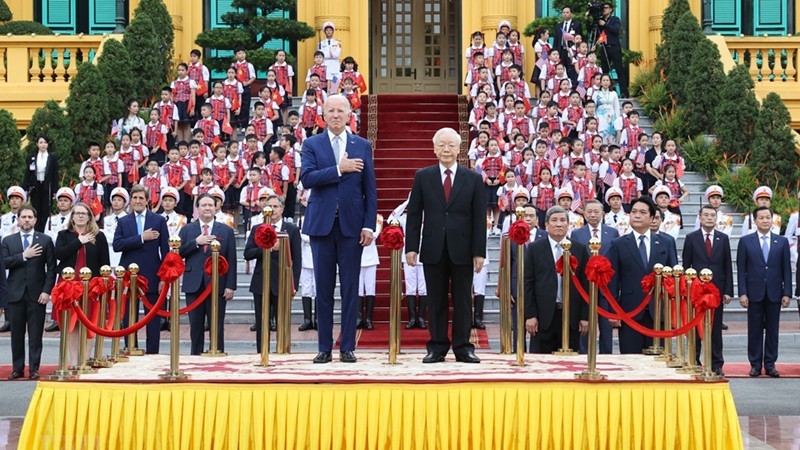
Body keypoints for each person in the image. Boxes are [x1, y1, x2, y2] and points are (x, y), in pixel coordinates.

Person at [299, 94, 377, 364]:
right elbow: (307, 178)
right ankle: (323, 347)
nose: (335, 115)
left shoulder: (362, 145)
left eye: (340, 110)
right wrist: (339, 169)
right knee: (323, 290)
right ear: (323, 114)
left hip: (352, 228)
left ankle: (346, 346)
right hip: (321, 226)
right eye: (330, 110)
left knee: (350, 289)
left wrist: (369, 225)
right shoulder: (312, 144)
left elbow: (370, 189)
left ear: (349, 114)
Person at [405, 127, 487, 364]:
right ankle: (437, 346)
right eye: (442, 145)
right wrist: (412, 246)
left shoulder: (472, 178)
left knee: (462, 300)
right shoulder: (423, 176)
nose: (446, 149)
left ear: (459, 149)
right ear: (434, 148)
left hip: (463, 249)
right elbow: (414, 214)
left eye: (451, 145)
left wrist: (478, 252)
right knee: (436, 300)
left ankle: (463, 347)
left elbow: (479, 217)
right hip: (433, 247)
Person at [606, 196, 677, 354]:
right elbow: (613, 281)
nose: (637, 215)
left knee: (659, 362)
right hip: (629, 312)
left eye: (643, 212)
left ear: (652, 218)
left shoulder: (666, 242)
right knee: (631, 360)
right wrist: (613, 311)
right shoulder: (618, 244)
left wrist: (673, 311)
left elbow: (673, 280)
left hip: (659, 311)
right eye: (634, 212)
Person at [113, 185, 170, 354]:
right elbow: (117, 245)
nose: (137, 201)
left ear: (147, 201)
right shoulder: (123, 221)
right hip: (128, 276)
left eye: (141, 198)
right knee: (129, 317)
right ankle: (131, 349)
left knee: (152, 318)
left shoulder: (158, 220)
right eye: (135, 198)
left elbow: (165, 251)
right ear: (131, 200)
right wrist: (141, 238)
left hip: (152, 274)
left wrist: (163, 278)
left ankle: (153, 353)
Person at [524, 206, 589, 354]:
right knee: (541, 363)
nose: (558, 224)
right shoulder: (535, 249)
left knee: (570, 361)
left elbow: (586, 284)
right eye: (554, 220)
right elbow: (528, 284)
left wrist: (585, 316)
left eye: (562, 220)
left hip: (571, 316)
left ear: (568, 224)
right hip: (543, 316)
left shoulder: (579, 249)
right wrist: (530, 315)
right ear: (546, 224)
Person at [1, 205, 56, 380]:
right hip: (15, 295)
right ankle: (17, 369)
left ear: (35, 220)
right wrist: (24, 255)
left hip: (37, 295)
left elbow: (51, 269)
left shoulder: (45, 240)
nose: (26, 220)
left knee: (35, 334)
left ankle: (34, 368)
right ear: (18, 220)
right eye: (23, 217)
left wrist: (47, 291)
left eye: (29, 217)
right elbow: (4, 263)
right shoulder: (8, 240)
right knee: (16, 335)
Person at [178, 194, 237, 355]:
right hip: (194, 284)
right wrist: (196, 242)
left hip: (217, 284)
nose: (207, 208)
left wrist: (231, 285)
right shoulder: (187, 230)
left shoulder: (225, 230)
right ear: (197, 208)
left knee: (216, 325)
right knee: (195, 327)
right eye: (204, 205)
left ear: (216, 207)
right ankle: (195, 358)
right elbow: (179, 254)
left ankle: (217, 356)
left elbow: (232, 258)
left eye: (210, 205)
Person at [738, 206, 792, 378]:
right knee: (754, 331)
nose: (765, 220)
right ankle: (755, 364)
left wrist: (787, 293)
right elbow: (741, 269)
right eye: (761, 218)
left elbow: (786, 270)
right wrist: (742, 293)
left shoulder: (781, 242)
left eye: (768, 217)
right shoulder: (746, 241)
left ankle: (770, 364)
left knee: (772, 331)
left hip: (775, 293)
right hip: (754, 293)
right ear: (755, 221)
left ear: (772, 220)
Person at [55, 202, 110, 365]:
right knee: (72, 324)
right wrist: (80, 241)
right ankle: (73, 362)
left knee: (89, 322)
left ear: (89, 217)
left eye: (83, 213)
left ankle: (85, 360)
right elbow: (60, 254)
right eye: (76, 213)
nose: (79, 216)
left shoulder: (99, 236)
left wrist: (102, 285)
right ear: (72, 217)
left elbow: (104, 263)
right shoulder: (64, 235)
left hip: (90, 286)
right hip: (69, 286)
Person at [243, 195, 301, 349]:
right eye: (269, 207)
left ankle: (283, 351)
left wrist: (293, 284)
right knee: (262, 323)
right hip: (261, 282)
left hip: (282, 282)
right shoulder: (257, 228)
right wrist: (266, 248)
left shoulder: (292, 229)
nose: (272, 210)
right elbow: (247, 253)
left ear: (282, 209)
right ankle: (262, 353)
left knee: (282, 321)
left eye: (276, 207)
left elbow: (297, 260)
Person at [683, 205, 733, 376]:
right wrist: (686, 289)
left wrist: (728, 291)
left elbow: (727, 266)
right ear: (700, 217)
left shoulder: (723, 238)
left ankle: (716, 363)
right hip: (696, 292)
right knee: (695, 327)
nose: (709, 218)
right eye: (706, 215)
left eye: (713, 215)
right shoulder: (691, 238)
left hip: (716, 292)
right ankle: (695, 359)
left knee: (715, 328)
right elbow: (685, 266)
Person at [571, 199, 618, 354]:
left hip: (606, 287)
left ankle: (607, 356)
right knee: (584, 324)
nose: (592, 215)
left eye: (596, 212)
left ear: (603, 214)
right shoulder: (577, 233)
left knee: (606, 327)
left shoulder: (612, 232)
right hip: (585, 286)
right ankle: (584, 355)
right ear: (584, 214)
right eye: (589, 212)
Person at [23, 136, 59, 233]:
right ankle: (36, 231)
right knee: (36, 209)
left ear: (48, 144)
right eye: (41, 142)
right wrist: (25, 187)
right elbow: (28, 173)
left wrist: (55, 190)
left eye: (45, 142)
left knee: (46, 210)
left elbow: (55, 174)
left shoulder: (52, 157)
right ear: (37, 144)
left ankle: (45, 231)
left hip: (47, 186)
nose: (43, 145)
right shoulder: (32, 157)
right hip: (36, 186)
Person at [593, 2, 627, 97]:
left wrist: (605, 24)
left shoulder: (615, 19)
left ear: (611, 9)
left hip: (614, 47)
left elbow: (616, 30)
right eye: (603, 8)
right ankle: (604, 90)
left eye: (606, 8)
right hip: (604, 48)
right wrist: (589, 18)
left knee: (619, 70)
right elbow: (593, 30)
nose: (604, 9)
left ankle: (624, 92)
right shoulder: (600, 20)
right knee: (604, 71)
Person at [554, 6, 583, 84]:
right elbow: (556, 41)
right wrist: (555, 52)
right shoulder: (558, 26)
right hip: (561, 51)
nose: (565, 14)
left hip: (571, 51)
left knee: (571, 69)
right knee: (561, 69)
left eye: (567, 12)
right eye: (563, 13)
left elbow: (579, 38)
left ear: (571, 13)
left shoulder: (576, 24)